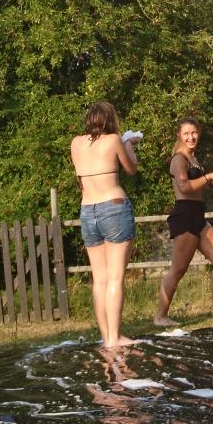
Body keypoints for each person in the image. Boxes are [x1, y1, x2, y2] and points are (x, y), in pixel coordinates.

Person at [71, 102, 141, 349]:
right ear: (110, 120)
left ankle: (105, 336)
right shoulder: (114, 140)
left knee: (99, 279)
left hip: (87, 210)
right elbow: (131, 169)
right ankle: (115, 337)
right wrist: (129, 144)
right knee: (115, 277)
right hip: (113, 206)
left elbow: (80, 179)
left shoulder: (76, 143)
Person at [151, 117, 213, 327]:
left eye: (194, 132)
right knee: (178, 269)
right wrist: (209, 177)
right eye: (186, 133)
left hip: (199, 216)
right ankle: (160, 316)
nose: (191, 137)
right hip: (185, 216)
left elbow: (198, 187)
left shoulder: (193, 158)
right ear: (179, 135)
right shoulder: (179, 159)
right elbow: (185, 187)